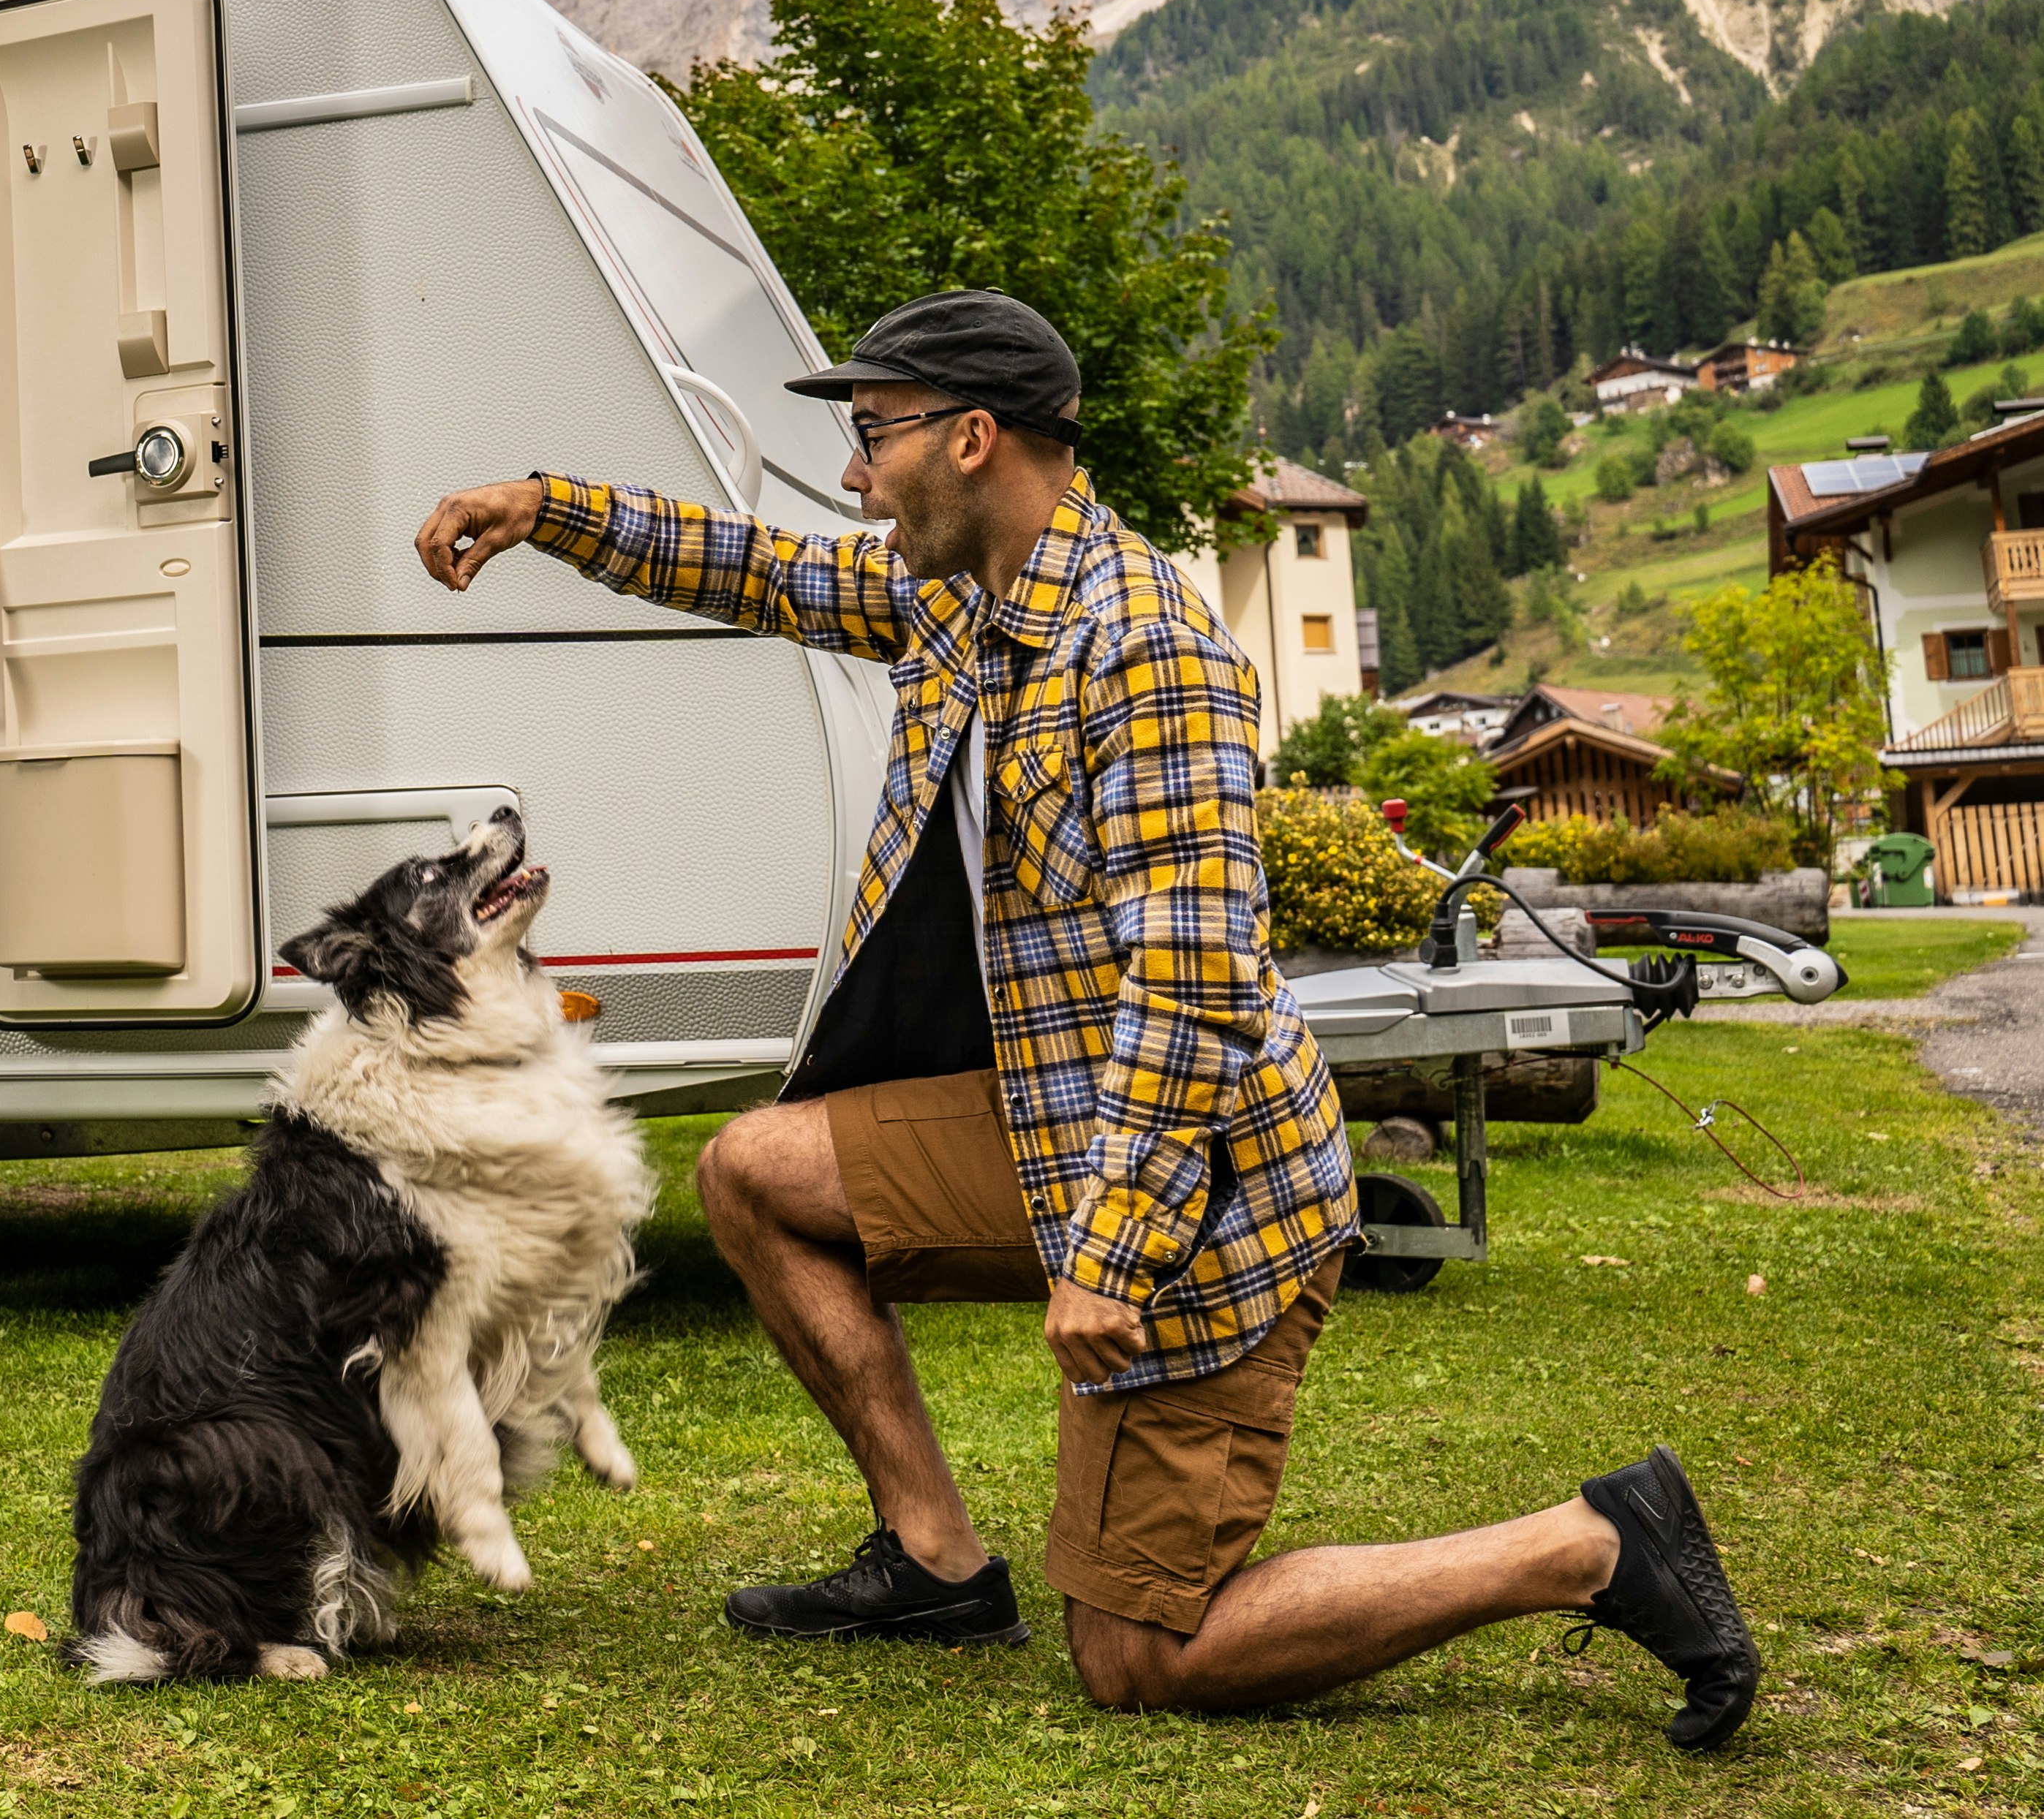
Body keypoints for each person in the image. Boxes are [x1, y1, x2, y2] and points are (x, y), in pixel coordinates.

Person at [410, 289, 1757, 1746]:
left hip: (1200, 1198)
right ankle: (931, 1565)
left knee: (1142, 1660)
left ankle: (1590, 1543)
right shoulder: (961, 603)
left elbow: (1195, 982)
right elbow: (765, 570)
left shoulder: (1142, 648)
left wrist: (1110, 1257)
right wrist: (543, 508)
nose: (855, 480)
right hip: (1054, 1135)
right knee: (754, 1173)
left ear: (972, 438)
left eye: (871, 440)